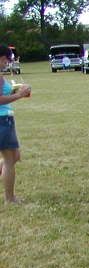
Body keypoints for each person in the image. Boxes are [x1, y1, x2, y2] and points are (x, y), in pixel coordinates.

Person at [0, 44, 31, 204]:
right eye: (6, 60)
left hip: (6, 119)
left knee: (15, 157)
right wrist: (19, 95)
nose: (7, 63)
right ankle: (9, 198)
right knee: (9, 160)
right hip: (2, 121)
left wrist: (18, 91)